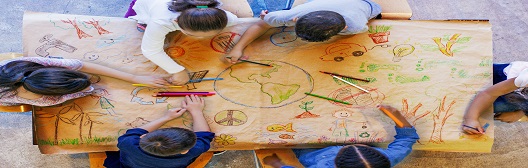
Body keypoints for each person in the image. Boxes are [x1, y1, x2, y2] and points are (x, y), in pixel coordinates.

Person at [225, 0, 381, 63]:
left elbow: (355, 32)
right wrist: (238, 48)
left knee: (375, 9)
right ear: (296, 20)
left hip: (364, 4)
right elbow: (261, 25)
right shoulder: (289, 15)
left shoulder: (356, 25)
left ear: (344, 28)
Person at [263, 105, 419, 168]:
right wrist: (396, 116)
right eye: (362, 147)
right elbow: (407, 138)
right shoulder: (390, 157)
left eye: (346, 149)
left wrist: (277, 163)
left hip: (309, 151)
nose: (350, 144)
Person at [125, 0, 239, 85]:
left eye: (209, 35)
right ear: (176, 22)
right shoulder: (163, 20)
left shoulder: (228, 18)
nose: (199, 39)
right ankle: (143, 21)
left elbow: (235, 20)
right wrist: (177, 71)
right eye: (191, 34)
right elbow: (150, 50)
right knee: (137, 22)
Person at [0, 57, 168, 107]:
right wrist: (90, 87)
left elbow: (84, 65)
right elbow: (86, 90)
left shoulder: (25, 64)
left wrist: (135, 78)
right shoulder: (46, 100)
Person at [103, 95, 213, 168]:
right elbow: (204, 135)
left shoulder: (128, 143)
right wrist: (196, 111)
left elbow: (136, 131)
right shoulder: (193, 151)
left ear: (143, 136)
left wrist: (166, 118)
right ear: (185, 151)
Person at [462, 62, 528, 134]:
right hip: (505, 77)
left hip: (518, 92)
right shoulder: (525, 78)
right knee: (476, 74)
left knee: (491, 107)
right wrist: (471, 119)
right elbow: (488, 94)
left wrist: (519, 114)